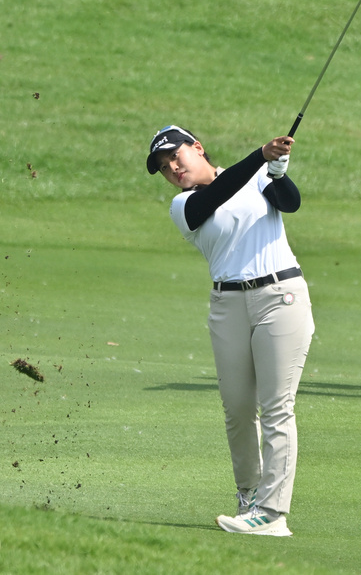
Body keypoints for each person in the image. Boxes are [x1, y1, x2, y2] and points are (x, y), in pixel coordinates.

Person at [145, 125, 313, 537]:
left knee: (277, 407)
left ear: (197, 149)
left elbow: (290, 204)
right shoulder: (182, 205)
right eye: (165, 168)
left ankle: (273, 513)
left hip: (280, 296)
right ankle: (249, 498)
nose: (173, 169)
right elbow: (217, 195)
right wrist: (260, 156)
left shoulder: (256, 175)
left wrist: (277, 172)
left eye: (176, 157)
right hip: (228, 305)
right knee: (238, 410)